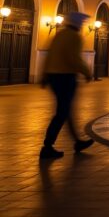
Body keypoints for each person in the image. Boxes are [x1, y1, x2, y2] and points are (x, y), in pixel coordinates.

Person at [39, 12, 94, 159]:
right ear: (78, 25)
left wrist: (44, 75)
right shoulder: (74, 37)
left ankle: (77, 141)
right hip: (65, 77)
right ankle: (48, 146)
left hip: (53, 76)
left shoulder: (59, 34)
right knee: (62, 112)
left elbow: (49, 55)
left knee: (66, 111)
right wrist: (87, 72)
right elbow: (74, 58)